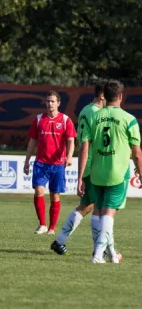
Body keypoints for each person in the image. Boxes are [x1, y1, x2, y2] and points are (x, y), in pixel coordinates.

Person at [77, 79, 142, 263]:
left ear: (104, 95)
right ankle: (98, 255)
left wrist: (81, 176)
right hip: (117, 173)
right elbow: (137, 153)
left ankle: (110, 253)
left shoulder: (93, 117)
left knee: (98, 212)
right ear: (120, 96)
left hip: (97, 172)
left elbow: (84, 148)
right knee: (109, 214)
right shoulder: (129, 119)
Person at [51, 82, 106, 255]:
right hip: (94, 166)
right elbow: (86, 145)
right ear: (103, 96)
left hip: (90, 165)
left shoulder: (85, 110)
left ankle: (59, 241)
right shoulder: (99, 114)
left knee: (88, 206)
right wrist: (81, 176)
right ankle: (100, 249)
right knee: (99, 207)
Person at [24, 91, 76, 235]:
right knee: (39, 191)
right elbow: (32, 141)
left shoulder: (65, 120)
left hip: (58, 164)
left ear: (58, 103)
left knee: (55, 195)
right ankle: (42, 224)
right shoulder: (39, 119)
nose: (50, 104)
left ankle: (52, 228)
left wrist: (69, 157)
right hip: (41, 162)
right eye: (47, 101)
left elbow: (71, 140)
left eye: (52, 101)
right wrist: (27, 160)